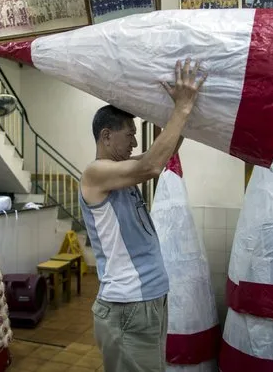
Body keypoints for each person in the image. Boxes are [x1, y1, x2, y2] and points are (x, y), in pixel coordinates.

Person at [79, 58, 207, 372]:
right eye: (130, 135)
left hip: (147, 300)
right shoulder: (96, 173)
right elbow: (150, 165)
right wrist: (182, 108)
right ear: (106, 136)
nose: (135, 141)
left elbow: (164, 152)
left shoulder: (120, 172)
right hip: (127, 305)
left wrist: (176, 110)